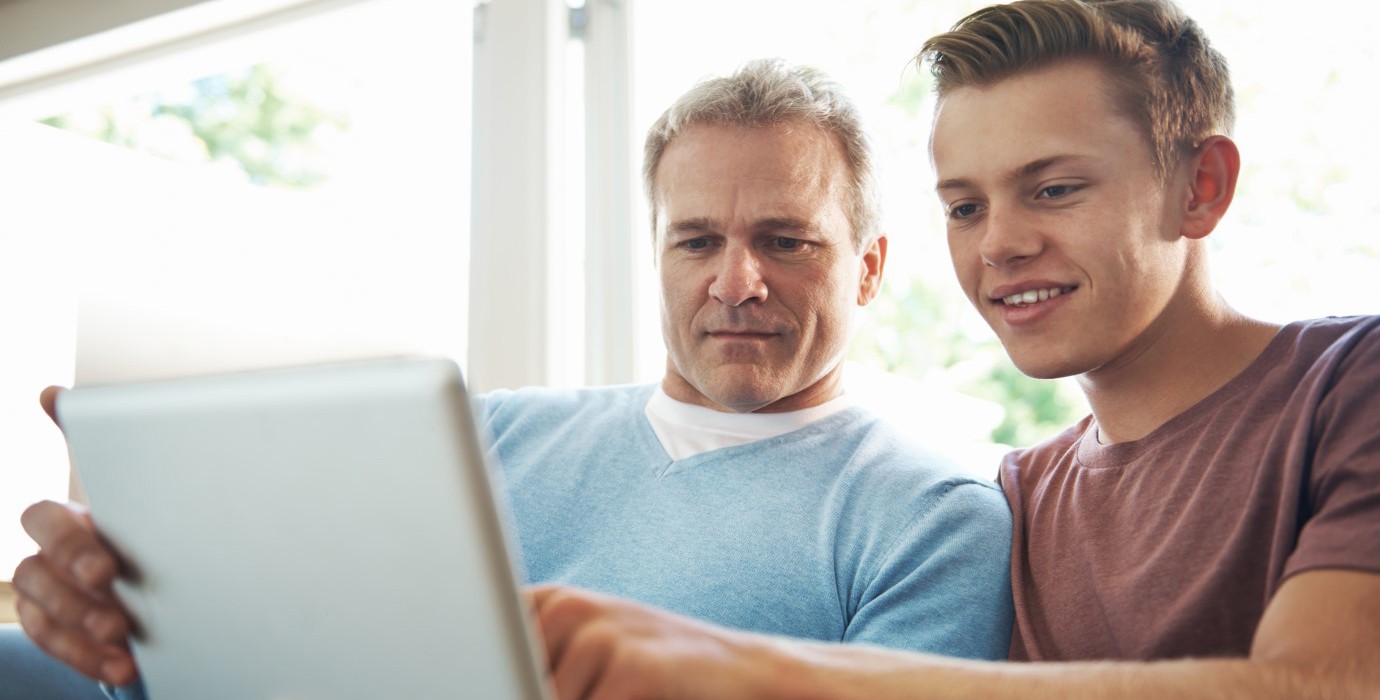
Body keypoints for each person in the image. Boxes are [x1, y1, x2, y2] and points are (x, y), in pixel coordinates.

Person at [10, 59, 1016, 698]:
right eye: (696, 239)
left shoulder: (931, 514)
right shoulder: (483, 436)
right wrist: (138, 636)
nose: (735, 282)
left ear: (871, 266)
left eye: (785, 241)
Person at [517, 0, 1379, 698]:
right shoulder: (1025, 499)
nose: (998, 244)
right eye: (965, 207)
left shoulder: (1351, 386)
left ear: (1202, 187)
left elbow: (1325, 684)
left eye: (1053, 188)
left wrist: (735, 667)